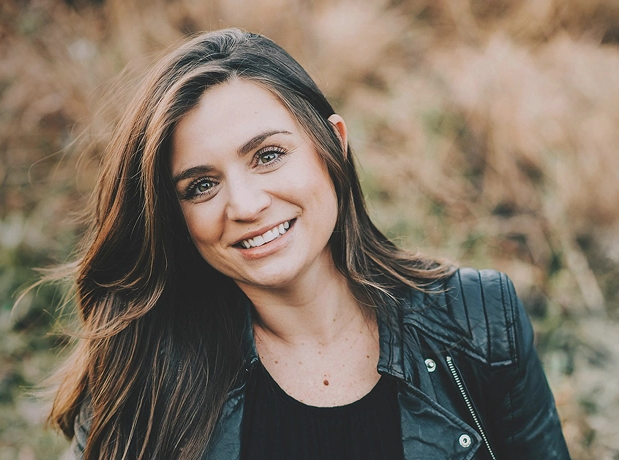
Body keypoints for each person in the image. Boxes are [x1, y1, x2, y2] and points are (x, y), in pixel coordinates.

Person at [48, 28, 571, 459]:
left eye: (268, 155)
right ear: (173, 215)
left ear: (333, 146)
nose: (246, 205)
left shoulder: (478, 319)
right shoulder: (139, 370)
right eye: (201, 185)